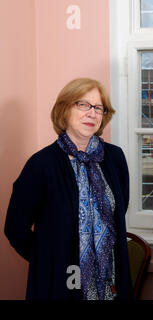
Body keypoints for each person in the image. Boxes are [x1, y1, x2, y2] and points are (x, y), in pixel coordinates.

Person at [4, 78, 132, 300]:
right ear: (64, 110)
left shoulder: (115, 158)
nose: (91, 113)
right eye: (82, 105)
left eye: (98, 108)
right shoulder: (41, 164)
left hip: (110, 283)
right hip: (59, 286)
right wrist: (48, 261)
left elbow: (119, 210)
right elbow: (15, 228)